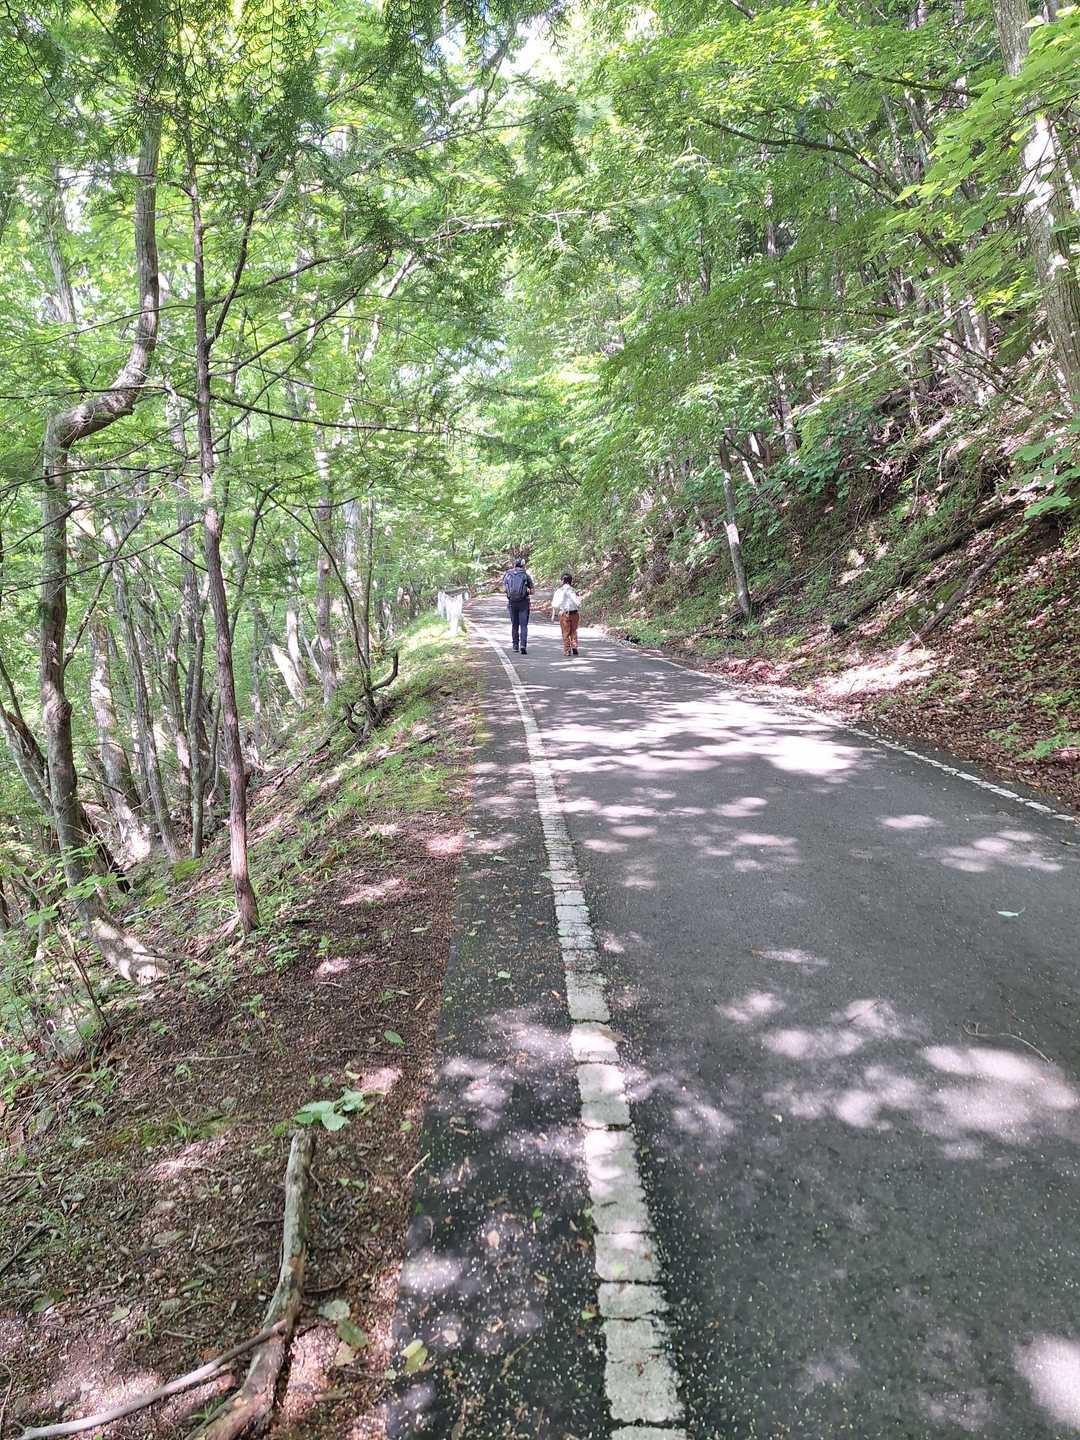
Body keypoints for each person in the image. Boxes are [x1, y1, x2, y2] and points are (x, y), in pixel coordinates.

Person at [502, 556, 534, 653]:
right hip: (524, 603)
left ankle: (515, 645)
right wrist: (526, 591)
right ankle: (523, 645)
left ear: (515, 564)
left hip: (512, 603)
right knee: (523, 625)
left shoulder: (508, 575)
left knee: (514, 624)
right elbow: (532, 591)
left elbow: (504, 589)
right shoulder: (526, 575)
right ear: (523, 565)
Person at [550, 572, 582, 656]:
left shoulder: (559, 591)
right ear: (570, 581)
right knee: (574, 631)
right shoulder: (573, 590)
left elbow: (555, 604)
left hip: (564, 613)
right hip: (574, 613)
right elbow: (579, 603)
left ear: (563, 581)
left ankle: (567, 650)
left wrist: (554, 613)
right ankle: (574, 646)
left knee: (565, 632)